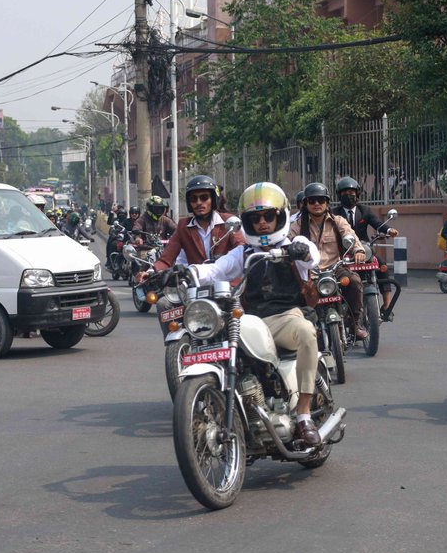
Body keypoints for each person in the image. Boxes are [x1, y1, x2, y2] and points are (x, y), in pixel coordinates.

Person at [184, 182, 324, 446]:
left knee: (306, 331)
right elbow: (216, 269)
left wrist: (301, 252)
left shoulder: (296, 242)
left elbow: (312, 256)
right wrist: (187, 272)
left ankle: (304, 414)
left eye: (268, 216)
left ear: (280, 216)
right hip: (250, 321)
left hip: (287, 317)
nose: (262, 223)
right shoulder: (243, 252)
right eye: (255, 218)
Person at [138, 175, 243, 327]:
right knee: (164, 304)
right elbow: (166, 259)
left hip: (228, 287)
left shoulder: (228, 222)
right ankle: (176, 346)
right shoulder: (183, 226)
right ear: (189, 203)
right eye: (194, 199)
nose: (199, 202)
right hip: (196, 288)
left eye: (204, 197)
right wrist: (150, 271)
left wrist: (224, 260)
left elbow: (242, 246)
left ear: (213, 199)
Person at [290, 182, 370, 339]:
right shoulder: (298, 225)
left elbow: (350, 234)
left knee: (354, 281)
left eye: (321, 200)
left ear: (327, 202)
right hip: (310, 272)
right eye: (312, 201)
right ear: (305, 204)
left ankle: (354, 323)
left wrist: (358, 250)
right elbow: (288, 241)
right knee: (296, 294)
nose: (317, 204)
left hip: (334, 269)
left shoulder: (337, 221)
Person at [333, 176, 399, 309]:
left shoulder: (365, 211)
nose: (349, 195)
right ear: (339, 195)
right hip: (342, 252)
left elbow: (378, 224)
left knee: (381, 264)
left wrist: (389, 229)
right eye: (345, 193)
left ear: (357, 194)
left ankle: (387, 304)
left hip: (364, 248)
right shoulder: (334, 213)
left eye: (351, 193)